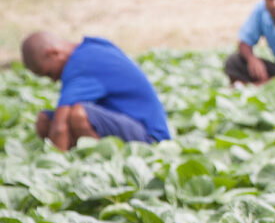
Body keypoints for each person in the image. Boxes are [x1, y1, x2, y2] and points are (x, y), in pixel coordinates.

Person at [21, 32, 172, 150]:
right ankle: (79, 158)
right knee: (44, 121)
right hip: (123, 122)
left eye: (49, 73)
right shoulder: (89, 48)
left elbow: (60, 127)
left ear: (53, 53)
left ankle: (97, 164)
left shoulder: (80, 63)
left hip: (149, 136)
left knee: (77, 115)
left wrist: (55, 167)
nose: (53, 80)